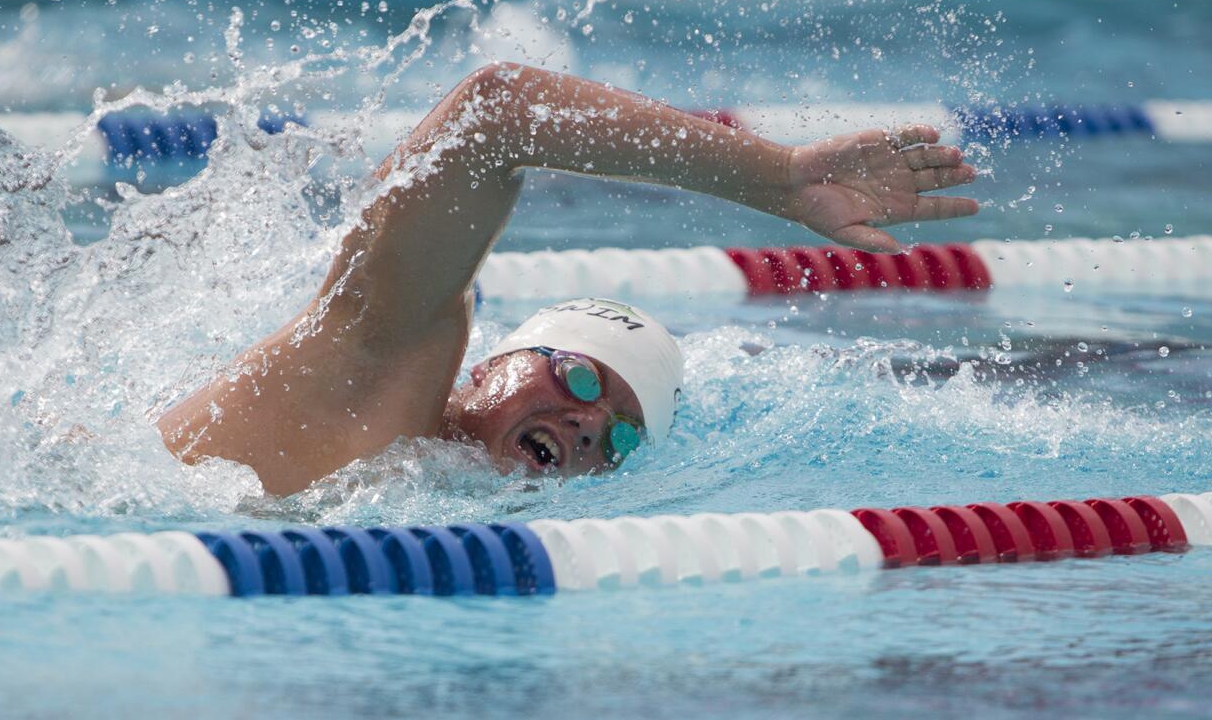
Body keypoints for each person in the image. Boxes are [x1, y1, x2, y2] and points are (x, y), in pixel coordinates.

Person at [157, 62, 979, 496]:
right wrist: (777, 178)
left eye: (620, 436)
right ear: (487, 367)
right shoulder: (380, 363)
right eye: (580, 373)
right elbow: (497, 109)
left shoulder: (447, 513)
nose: (590, 422)